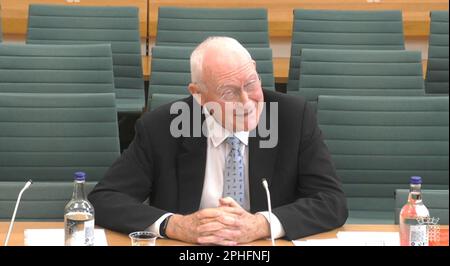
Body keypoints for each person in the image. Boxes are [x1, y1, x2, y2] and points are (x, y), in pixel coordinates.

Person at [88, 37, 348, 245]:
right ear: (198, 94)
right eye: (229, 92)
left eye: (250, 83)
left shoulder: (292, 117)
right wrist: (175, 225)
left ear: (256, 71)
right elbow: (105, 199)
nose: (246, 102)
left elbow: (331, 201)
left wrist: (261, 224)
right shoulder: (162, 126)